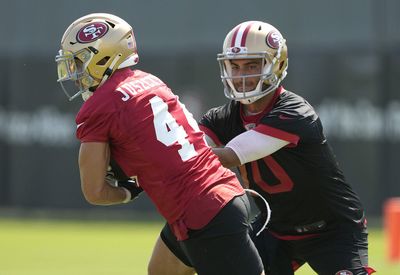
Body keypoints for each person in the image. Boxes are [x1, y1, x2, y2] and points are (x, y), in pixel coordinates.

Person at [148, 21, 376, 275]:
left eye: (252, 65)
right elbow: (190, 148)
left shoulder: (294, 112)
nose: (241, 75)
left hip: (333, 230)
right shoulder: (221, 117)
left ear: (276, 65)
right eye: (234, 66)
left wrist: (154, 157)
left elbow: (224, 156)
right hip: (274, 228)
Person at [55, 13, 265, 275]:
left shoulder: (100, 105)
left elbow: (94, 191)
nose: (74, 71)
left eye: (79, 60)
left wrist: (128, 191)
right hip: (215, 198)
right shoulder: (149, 80)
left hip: (205, 214)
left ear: (103, 56)